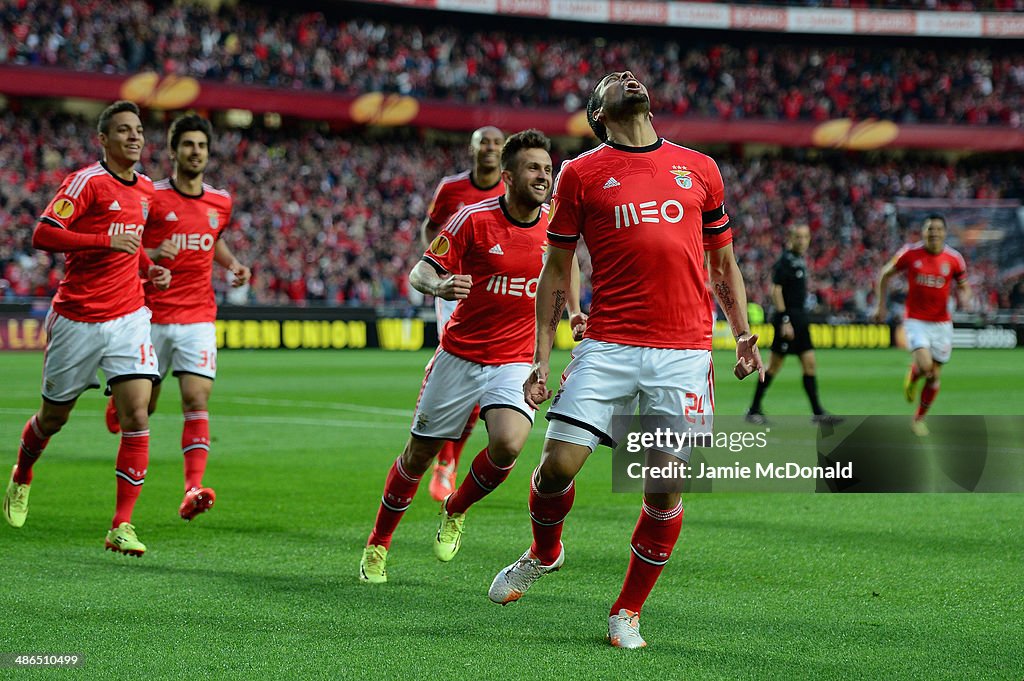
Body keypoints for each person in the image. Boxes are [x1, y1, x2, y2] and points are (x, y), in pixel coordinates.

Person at [487, 71, 764, 649]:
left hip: (685, 351)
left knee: (665, 489)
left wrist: (742, 334)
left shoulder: (701, 168)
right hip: (609, 343)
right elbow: (555, 270)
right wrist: (541, 357)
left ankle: (627, 611)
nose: (628, 79)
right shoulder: (582, 173)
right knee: (558, 466)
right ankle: (545, 551)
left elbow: (723, 263)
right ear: (600, 113)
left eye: (630, 77)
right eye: (613, 81)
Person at [360, 129, 582, 583]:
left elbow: (565, 269)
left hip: (514, 360)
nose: (543, 176)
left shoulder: (554, 225)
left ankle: (456, 506)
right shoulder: (471, 219)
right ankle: (378, 544)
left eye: (547, 168)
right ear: (508, 176)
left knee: (508, 445)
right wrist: (440, 285)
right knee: (417, 457)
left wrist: (573, 317)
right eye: (533, 168)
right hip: (460, 356)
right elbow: (422, 269)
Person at [2, 100, 171, 556]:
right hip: (77, 318)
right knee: (53, 418)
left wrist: (148, 266)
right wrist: (102, 240)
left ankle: (121, 525)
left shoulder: (147, 190)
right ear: (104, 139)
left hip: (129, 318)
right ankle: (22, 473)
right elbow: (43, 233)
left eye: (138, 130)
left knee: (137, 415)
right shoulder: (86, 182)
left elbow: (130, 245)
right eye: (124, 131)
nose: (135, 138)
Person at [103, 113, 251, 520]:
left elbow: (212, 239)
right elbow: (129, 245)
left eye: (201, 146)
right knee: (142, 408)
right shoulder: (151, 195)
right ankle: (120, 406)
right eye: (187, 144)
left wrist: (232, 264)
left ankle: (192, 488)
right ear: (172, 151)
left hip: (198, 316)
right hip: (147, 315)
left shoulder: (220, 201)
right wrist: (153, 258)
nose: (195, 152)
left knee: (196, 397)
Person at [420, 126, 506, 503]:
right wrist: (441, 269)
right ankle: (446, 461)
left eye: (495, 143)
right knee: (461, 366)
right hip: (456, 291)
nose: (489, 148)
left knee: (482, 379)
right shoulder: (451, 189)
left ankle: (448, 461)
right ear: (471, 149)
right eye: (482, 142)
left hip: (499, 295)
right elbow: (431, 227)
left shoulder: (511, 189)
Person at [873, 214, 971, 436]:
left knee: (934, 376)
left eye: (938, 229)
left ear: (945, 233)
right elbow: (884, 274)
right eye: (929, 229)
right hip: (916, 320)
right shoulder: (910, 253)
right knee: (927, 367)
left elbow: (964, 285)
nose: (933, 233)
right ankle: (916, 371)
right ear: (923, 232)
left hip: (942, 323)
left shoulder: (954, 259)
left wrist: (966, 296)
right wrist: (880, 306)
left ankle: (918, 418)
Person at [746, 224, 839, 425]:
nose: (802, 241)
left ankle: (818, 412)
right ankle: (753, 409)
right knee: (774, 366)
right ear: (791, 238)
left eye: (806, 237)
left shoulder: (800, 260)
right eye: (798, 237)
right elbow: (775, 290)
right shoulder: (786, 261)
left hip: (800, 317)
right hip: (787, 318)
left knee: (810, 363)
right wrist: (785, 319)